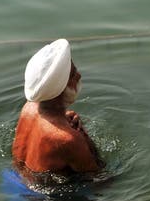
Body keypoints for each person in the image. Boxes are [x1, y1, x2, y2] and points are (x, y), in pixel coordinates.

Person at [12, 38, 103, 178]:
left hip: (13, 179)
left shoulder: (28, 108)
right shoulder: (67, 140)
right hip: (41, 199)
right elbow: (98, 177)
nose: (79, 76)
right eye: (73, 74)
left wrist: (64, 121)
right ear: (60, 90)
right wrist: (84, 136)